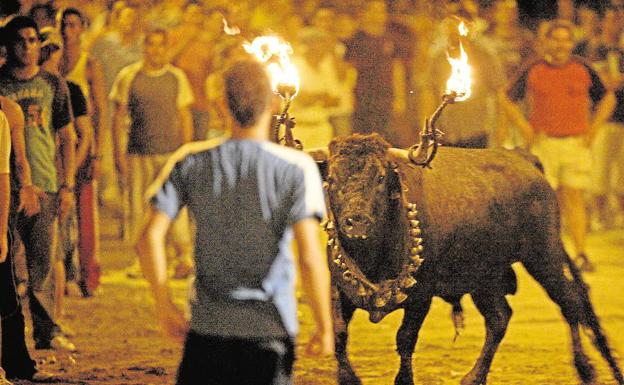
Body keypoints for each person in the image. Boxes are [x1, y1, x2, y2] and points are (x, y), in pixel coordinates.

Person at [137, 59, 334, 384]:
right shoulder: (297, 168)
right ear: (273, 104)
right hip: (269, 331)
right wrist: (325, 327)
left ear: (220, 105)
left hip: (207, 328)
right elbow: (311, 258)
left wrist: (164, 305)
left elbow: (148, 237)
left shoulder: (190, 161)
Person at [500, 20, 615, 272]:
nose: (561, 44)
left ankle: (581, 253)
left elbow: (607, 97)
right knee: (545, 202)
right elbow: (506, 97)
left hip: (575, 142)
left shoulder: (583, 68)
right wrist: (524, 127)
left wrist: (593, 129)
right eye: (556, 39)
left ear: (571, 43)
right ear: (546, 42)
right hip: (544, 144)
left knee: (574, 197)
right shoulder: (533, 68)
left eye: (566, 39)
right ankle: (551, 256)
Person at [0, 16, 77, 352]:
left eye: (33, 40)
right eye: (21, 40)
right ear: (8, 45)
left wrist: (67, 185)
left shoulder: (53, 84)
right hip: (7, 185)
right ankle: (13, 336)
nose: (28, 47)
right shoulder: (0, 84)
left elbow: (66, 137)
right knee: (10, 265)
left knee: (42, 263)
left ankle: (46, 331)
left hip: (44, 182)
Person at [110, 28, 194, 279]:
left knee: (176, 208)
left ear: (166, 48)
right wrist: (118, 153)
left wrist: (185, 152)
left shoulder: (176, 77)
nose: (155, 50)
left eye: (160, 45)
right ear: (144, 47)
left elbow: (184, 117)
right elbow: (119, 116)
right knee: (138, 208)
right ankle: (141, 259)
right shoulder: (129, 76)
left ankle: (183, 258)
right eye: (151, 45)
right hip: (139, 152)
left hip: (170, 153)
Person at [0, 97, 54, 384]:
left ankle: (17, 362)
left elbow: (15, 163)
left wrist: (28, 187)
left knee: (6, 286)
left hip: (2, 204)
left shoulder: (7, 111)